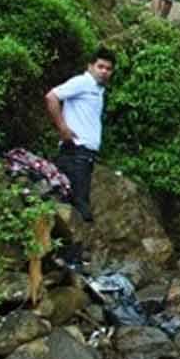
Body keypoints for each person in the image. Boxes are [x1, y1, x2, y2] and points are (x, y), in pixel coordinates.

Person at [43, 47, 116, 267]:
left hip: (85, 155)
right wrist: (63, 128)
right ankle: (71, 260)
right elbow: (52, 97)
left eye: (108, 68)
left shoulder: (97, 89)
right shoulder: (83, 82)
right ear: (90, 66)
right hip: (76, 153)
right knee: (79, 207)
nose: (104, 71)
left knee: (74, 203)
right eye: (100, 66)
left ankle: (68, 258)